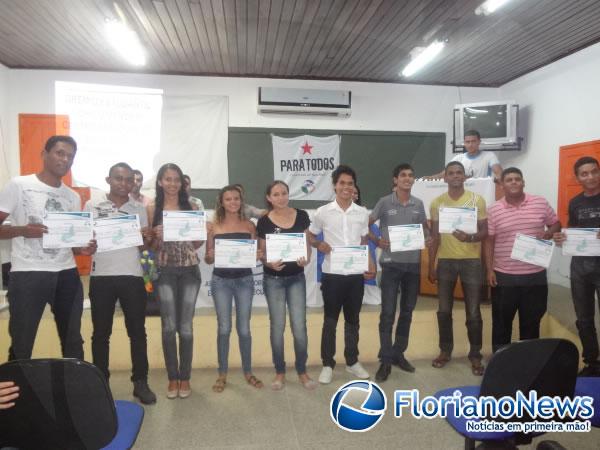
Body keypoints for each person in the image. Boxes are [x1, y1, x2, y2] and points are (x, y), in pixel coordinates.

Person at [0, 135, 96, 361]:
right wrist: (23, 230)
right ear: (44, 154)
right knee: (22, 341)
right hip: (27, 275)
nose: (65, 159)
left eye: (70, 156)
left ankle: (73, 392)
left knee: (73, 340)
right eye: (59, 153)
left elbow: (70, 245)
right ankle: (17, 395)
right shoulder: (19, 185)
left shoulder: (72, 196)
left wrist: (82, 249)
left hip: (67, 275)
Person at [86, 162, 156, 404]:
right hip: (101, 276)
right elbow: (85, 241)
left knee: (137, 332)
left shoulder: (138, 208)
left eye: (129, 180)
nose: (124, 184)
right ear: (108, 180)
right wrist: (89, 243)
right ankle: (100, 383)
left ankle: (140, 382)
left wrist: (147, 238)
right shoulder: (92, 205)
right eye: (119, 179)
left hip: (132, 276)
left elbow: (144, 246)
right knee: (100, 334)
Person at [309, 165, 376, 384]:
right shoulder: (323, 212)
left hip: (355, 275)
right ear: (334, 186)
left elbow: (364, 240)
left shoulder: (361, 212)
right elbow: (309, 236)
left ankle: (352, 362)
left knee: (352, 321)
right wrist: (319, 244)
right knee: (330, 321)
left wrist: (370, 262)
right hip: (332, 276)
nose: (346, 187)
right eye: (342, 183)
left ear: (354, 186)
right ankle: (327, 364)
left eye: (350, 183)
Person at [484, 167, 560, 353]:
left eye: (517, 179)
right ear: (502, 185)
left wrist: (549, 232)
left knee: (531, 324)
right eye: (508, 180)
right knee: (501, 324)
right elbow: (489, 242)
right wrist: (489, 270)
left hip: (535, 277)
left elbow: (556, 223)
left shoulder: (540, 203)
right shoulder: (494, 209)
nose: (514, 182)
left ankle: (527, 364)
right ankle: (500, 364)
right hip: (504, 276)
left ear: (523, 182)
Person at [148, 163, 203, 399]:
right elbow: (150, 247)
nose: (172, 183)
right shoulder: (152, 208)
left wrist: (195, 234)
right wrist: (157, 238)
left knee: (186, 328)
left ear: (182, 183)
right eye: (167, 179)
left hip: (190, 270)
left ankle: (185, 377)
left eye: (176, 179)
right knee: (169, 327)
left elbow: (198, 243)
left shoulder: (192, 206)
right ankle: (172, 378)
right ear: (160, 182)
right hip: (165, 271)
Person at [369, 164, 428, 381]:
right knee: (387, 313)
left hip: (412, 266)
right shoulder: (384, 202)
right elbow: (365, 224)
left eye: (411, 175)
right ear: (395, 180)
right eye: (403, 175)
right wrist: (376, 240)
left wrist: (427, 236)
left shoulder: (418, 204)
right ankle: (385, 360)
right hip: (391, 265)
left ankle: (398, 353)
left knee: (407, 312)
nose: (408, 178)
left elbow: (424, 229)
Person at [257, 180, 317, 390]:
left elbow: (307, 245)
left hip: (296, 279)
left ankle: (302, 370)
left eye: (284, 193)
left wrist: (305, 259)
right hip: (273, 280)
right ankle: (280, 371)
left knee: (299, 327)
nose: (281, 197)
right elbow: (262, 253)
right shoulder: (264, 221)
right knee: (277, 327)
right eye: (276, 194)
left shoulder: (301, 216)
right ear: (269, 198)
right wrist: (267, 261)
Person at [428, 161, 487, 376]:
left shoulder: (476, 200)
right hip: (445, 262)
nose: (455, 176)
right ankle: (445, 351)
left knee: (473, 312)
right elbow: (434, 237)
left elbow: (484, 232)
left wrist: (469, 237)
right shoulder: (437, 203)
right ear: (445, 178)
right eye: (450, 173)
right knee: (444, 311)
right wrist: (431, 265)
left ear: (464, 177)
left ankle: (475, 355)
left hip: (471, 262)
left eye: (458, 173)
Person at [205, 185, 263, 392]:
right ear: (221, 202)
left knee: (244, 329)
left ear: (241, 201)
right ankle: (222, 374)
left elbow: (256, 253)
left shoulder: (249, 226)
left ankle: (248, 372)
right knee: (224, 328)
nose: (232, 202)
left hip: (245, 281)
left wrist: (257, 255)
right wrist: (211, 255)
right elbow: (208, 257)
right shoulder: (214, 226)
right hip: (221, 281)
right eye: (228, 199)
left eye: (236, 198)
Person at [554, 156, 600, 376]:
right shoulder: (575, 202)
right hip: (580, 268)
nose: (590, 177)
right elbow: (572, 230)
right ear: (578, 177)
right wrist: (563, 238)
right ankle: (592, 362)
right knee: (583, 318)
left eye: (594, 171)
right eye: (585, 173)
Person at [426, 130, 502, 181]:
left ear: (479, 142)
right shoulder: (458, 158)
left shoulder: (489, 156)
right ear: (464, 143)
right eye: (467, 142)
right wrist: (430, 178)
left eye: (473, 141)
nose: (470, 144)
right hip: (463, 194)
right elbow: (444, 174)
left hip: (483, 193)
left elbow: (499, 173)